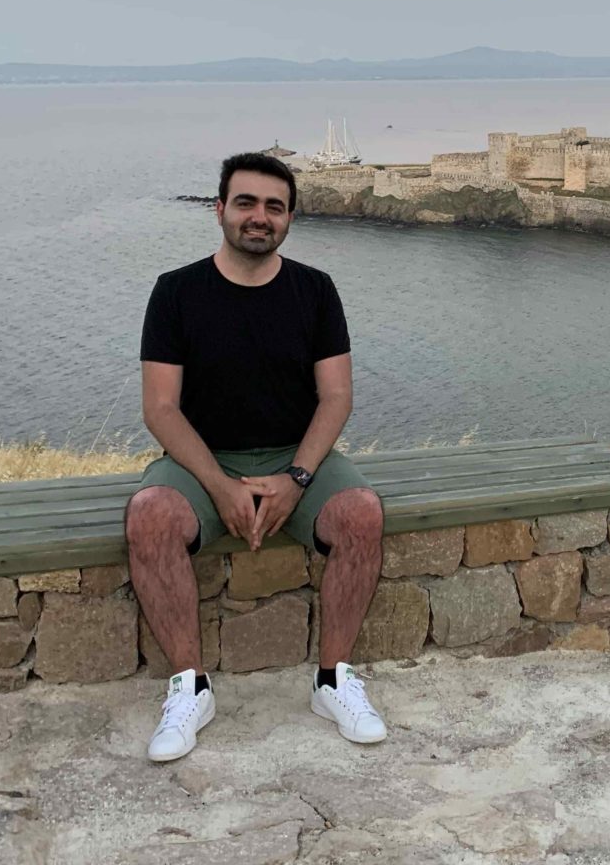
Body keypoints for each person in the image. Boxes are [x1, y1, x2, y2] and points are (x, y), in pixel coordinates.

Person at [125, 151, 386, 762]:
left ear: (290, 218)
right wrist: (219, 485)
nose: (259, 217)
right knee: (150, 515)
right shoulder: (176, 292)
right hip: (201, 459)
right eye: (245, 203)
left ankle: (333, 680)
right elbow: (160, 408)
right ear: (220, 210)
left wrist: (298, 477)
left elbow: (337, 397)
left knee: (362, 514)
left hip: (296, 454)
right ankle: (190, 689)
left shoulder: (315, 291)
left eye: (274, 206)